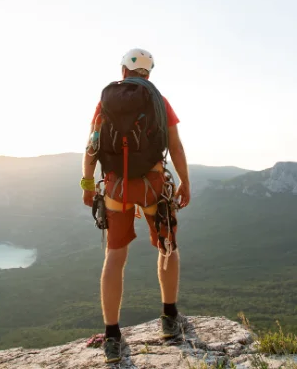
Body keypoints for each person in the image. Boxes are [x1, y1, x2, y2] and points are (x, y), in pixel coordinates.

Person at [81, 48, 192, 364]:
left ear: (123, 71)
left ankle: (112, 337)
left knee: (114, 257)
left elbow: (91, 147)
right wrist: (185, 182)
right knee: (167, 247)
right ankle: (169, 318)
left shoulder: (106, 102)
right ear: (149, 72)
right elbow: (175, 146)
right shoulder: (159, 101)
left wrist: (88, 184)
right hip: (152, 185)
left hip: (115, 187)